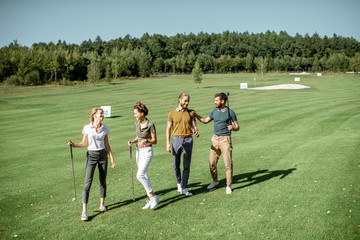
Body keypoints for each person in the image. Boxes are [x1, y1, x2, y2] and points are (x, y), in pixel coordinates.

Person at [68, 107, 116, 221]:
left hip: (103, 155)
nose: (103, 115)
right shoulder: (87, 128)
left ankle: (102, 204)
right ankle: (84, 211)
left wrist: (112, 158)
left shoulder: (105, 128)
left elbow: (107, 144)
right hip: (91, 156)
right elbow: (84, 143)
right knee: (87, 183)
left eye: (103, 113)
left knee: (102, 181)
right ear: (94, 115)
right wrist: (74, 145)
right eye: (101, 113)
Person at [193, 92, 239, 194]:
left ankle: (228, 186)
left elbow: (237, 126)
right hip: (215, 140)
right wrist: (195, 114)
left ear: (223, 101)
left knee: (228, 164)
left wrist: (233, 128)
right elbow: (205, 121)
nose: (214, 102)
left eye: (216, 100)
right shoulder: (214, 111)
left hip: (225, 140)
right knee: (212, 163)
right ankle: (215, 181)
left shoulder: (230, 112)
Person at [166, 92, 199, 196]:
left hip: (188, 140)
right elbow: (168, 129)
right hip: (176, 139)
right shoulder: (172, 113)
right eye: (185, 100)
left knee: (186, 165)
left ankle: (184, 187)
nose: (187, 102)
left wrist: (195, 129)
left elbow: (194, 124)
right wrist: (168, 143)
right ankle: (179, 183)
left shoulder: (191, 112)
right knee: (176, 164)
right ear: (179, 100)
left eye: (188, 100)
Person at [128, 102, 159, 209]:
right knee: (144, 175)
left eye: (136, 113)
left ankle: (153, 196)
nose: (134, 115)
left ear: (142, 113)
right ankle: (150, 199)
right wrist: (132, 141)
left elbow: (154, 141)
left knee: (140, 175)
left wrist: (146, 140)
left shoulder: (150, 124)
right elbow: (138, 137)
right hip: (138, 152)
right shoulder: (136, 123)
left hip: (147, 151)